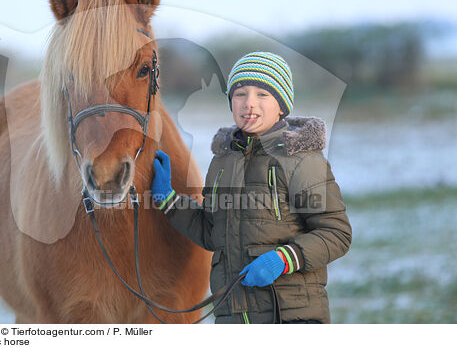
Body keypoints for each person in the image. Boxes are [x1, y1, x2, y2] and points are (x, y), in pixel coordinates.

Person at [151, 51, 352, 324]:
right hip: (233, 317)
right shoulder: (222, 162)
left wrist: (284, 259)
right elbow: (212, 233)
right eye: (240, 94)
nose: (249, 104)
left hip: (290, 318)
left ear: (281, 105)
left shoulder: (301, 159)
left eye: (262, 94)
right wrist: (169, 201)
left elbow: (336, 233)